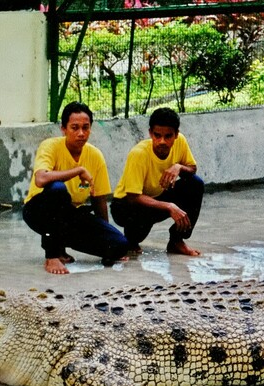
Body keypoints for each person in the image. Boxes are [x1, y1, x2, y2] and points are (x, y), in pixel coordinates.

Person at [22, 101, 129, 275]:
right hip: (39, 212)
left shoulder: (95, 155)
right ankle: (52, 254)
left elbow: (99, 199)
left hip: (69, 216)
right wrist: (78, 170)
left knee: (120, 245)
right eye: (74, 127)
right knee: (57, 190)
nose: (81, 133)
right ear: (63, 129)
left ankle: (61, 245)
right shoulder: (50, 146)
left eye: (85, 128)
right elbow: (41, 179)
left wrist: (107, 235)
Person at [111, 107, 204, 256]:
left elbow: (192, 168)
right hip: (125, 205)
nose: (162, 141)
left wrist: (178, 167)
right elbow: (133, 197)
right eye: (157, 135)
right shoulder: (139, 154)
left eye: (168, 136)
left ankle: (176, 241)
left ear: (176, 135)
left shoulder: (181, 141)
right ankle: (131, 240)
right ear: (150, 133)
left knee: (195, 184)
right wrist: (169, 206)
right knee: (135, 230)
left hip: (156, 197)